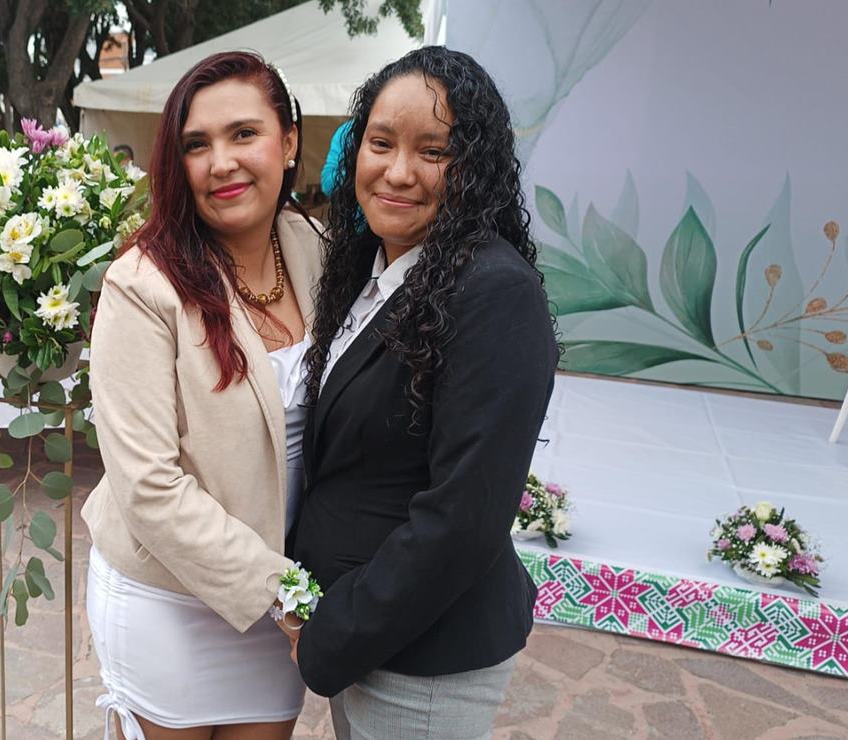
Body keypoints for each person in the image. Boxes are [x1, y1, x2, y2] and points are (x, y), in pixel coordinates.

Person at [288, 46, 559, 738]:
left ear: (475, 168)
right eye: (380, 143)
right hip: (371, 638)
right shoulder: (379, 269)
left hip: (421, 656)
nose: (397, 172)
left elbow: (462, 518)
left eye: (433, 151)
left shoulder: (494, 291)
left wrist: (332, 639)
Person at [84, 51, 323, 740]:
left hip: (279, 594)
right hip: (171, 600)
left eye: (243, 134)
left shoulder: (316, 248)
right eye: (196, 144)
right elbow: (148, 486)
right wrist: (289, 598)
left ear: (288, 140)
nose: (221, 162)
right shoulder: (141, 286)